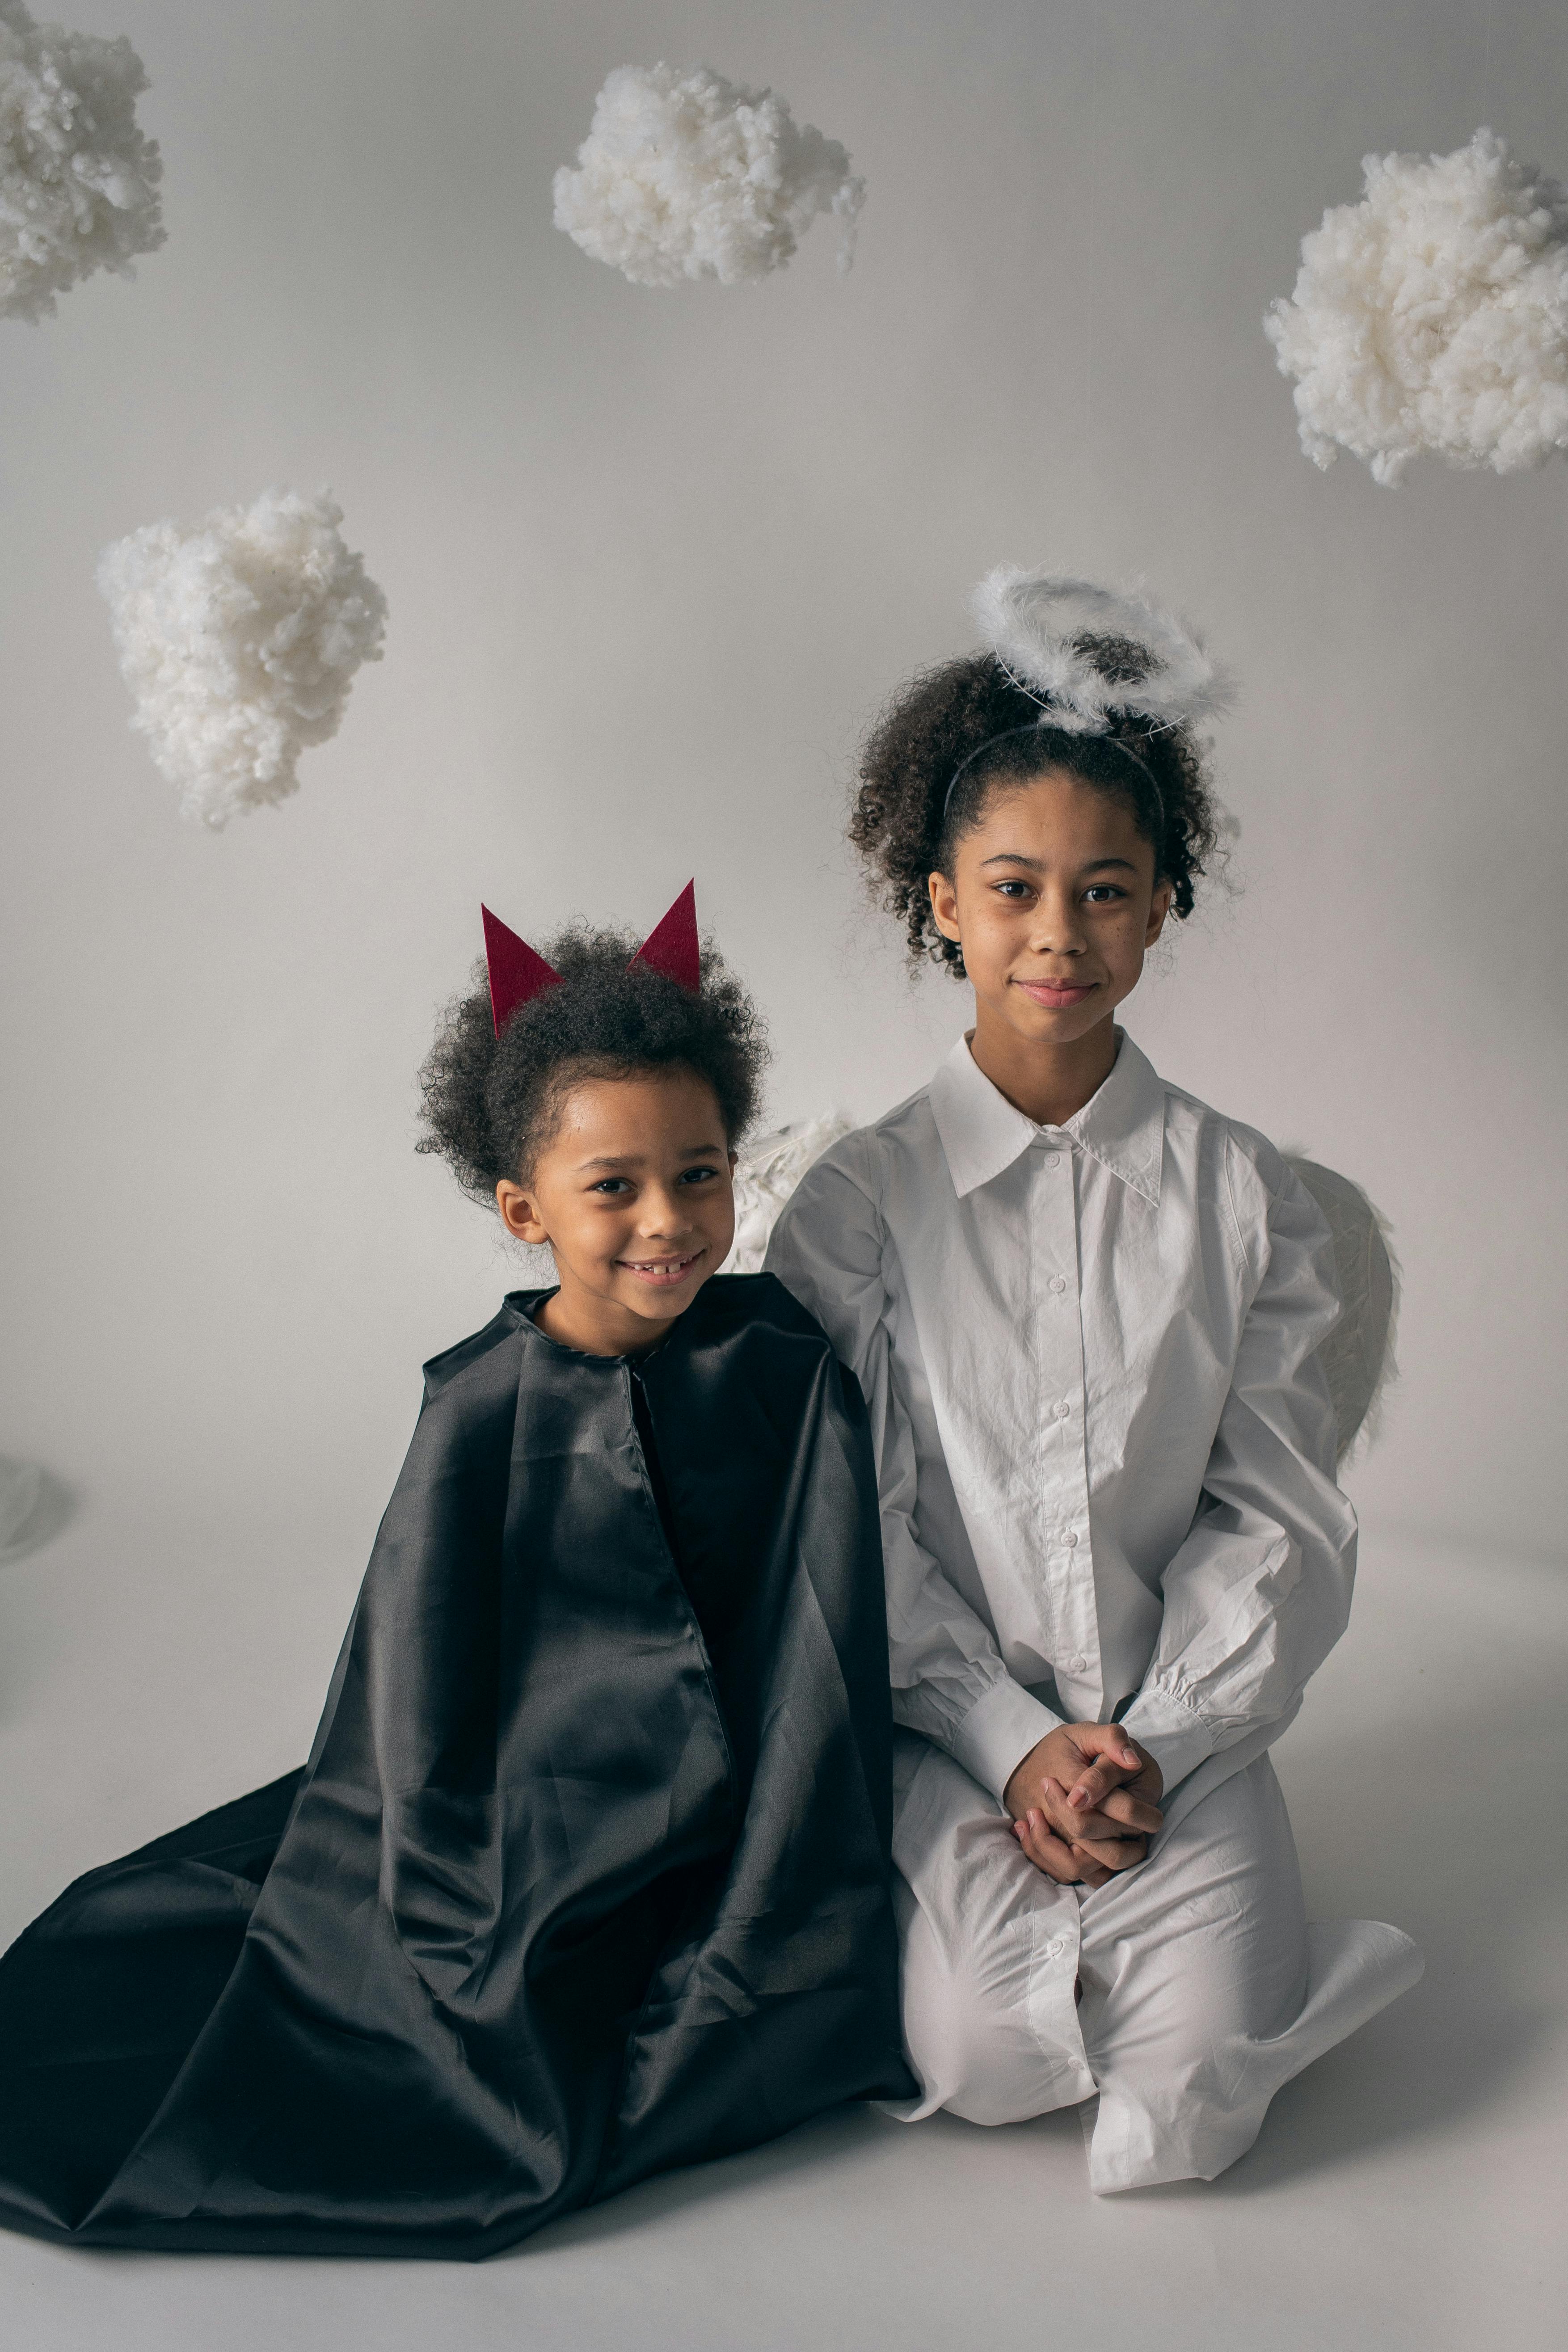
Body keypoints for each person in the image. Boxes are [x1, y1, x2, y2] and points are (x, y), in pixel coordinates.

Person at [0, 888, 910, 2258]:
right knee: (449, 2041)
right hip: (530, 1825)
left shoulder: (782, 1361)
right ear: (519, 1205)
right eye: (613, 1186)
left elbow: (824, 1632)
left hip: (746, 1821)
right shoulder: (482, 1408)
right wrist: (460, 1916)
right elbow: (414, 1701)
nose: (667, 1221)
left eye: (701, 1172)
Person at [765, 573, 1422, 2194]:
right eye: (1011, 889)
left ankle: (1203, 1906)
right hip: (947, 1737)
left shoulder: (1247, 1199)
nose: (1058, 935)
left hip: (1175, 1738)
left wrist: (1157, 1739)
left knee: (1185, 2110)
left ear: (1159, 907)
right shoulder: (856, 1210)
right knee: (984, 2068)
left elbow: (1274, 1506)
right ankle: (1016, 1893)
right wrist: (1004, 1742)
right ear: (939, 901)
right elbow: (855, 1529)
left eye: (1105, 892)